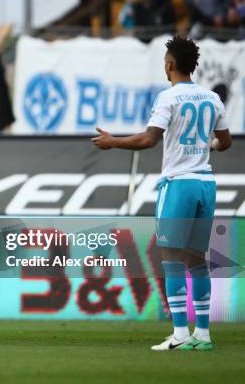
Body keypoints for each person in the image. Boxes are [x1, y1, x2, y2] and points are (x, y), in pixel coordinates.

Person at [91, 36, 232, 351]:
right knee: (197, 261)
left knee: (171, 260)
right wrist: (205, 146)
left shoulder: (169, 98)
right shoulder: (212, 98)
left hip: (178, 184)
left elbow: (149, 139)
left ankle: (181, 334)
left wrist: (113, 141)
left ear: (169, 64)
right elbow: (226, 141)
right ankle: (203, 335)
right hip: (205, 184)